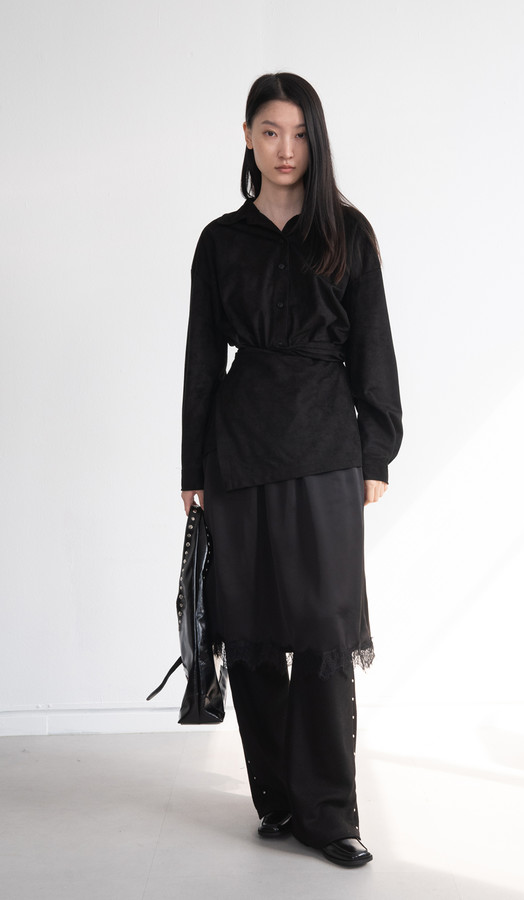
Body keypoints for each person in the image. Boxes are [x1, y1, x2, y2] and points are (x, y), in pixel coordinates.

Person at [180, 72, 402, 868]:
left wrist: (376, 451)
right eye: (271, 131)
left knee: (321, 631)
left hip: (325, 447)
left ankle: (330, 814)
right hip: (238, 451)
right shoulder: (220, 242)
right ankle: (275, 799)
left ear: (317, 139)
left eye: (300, 133)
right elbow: (202, 359)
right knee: (248, 632)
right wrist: (192, 465)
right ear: (247, 136)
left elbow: (373, 346)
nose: (286, 148)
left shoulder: (348, 232)